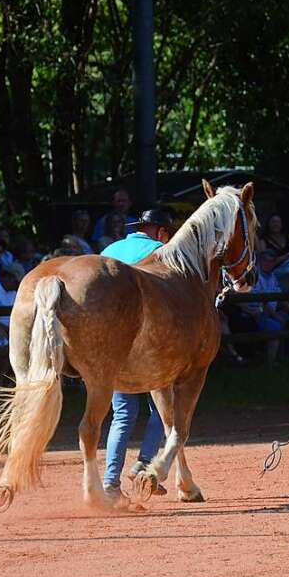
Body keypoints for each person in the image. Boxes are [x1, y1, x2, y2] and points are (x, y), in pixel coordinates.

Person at [99, 208, 173, 497]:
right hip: (151, 344)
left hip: (113, 342)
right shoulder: (162, 251)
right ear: (162, 231)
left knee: (122, 414)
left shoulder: (109, 250)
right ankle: (143, 464)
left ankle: (109, 481)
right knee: (162, 411)